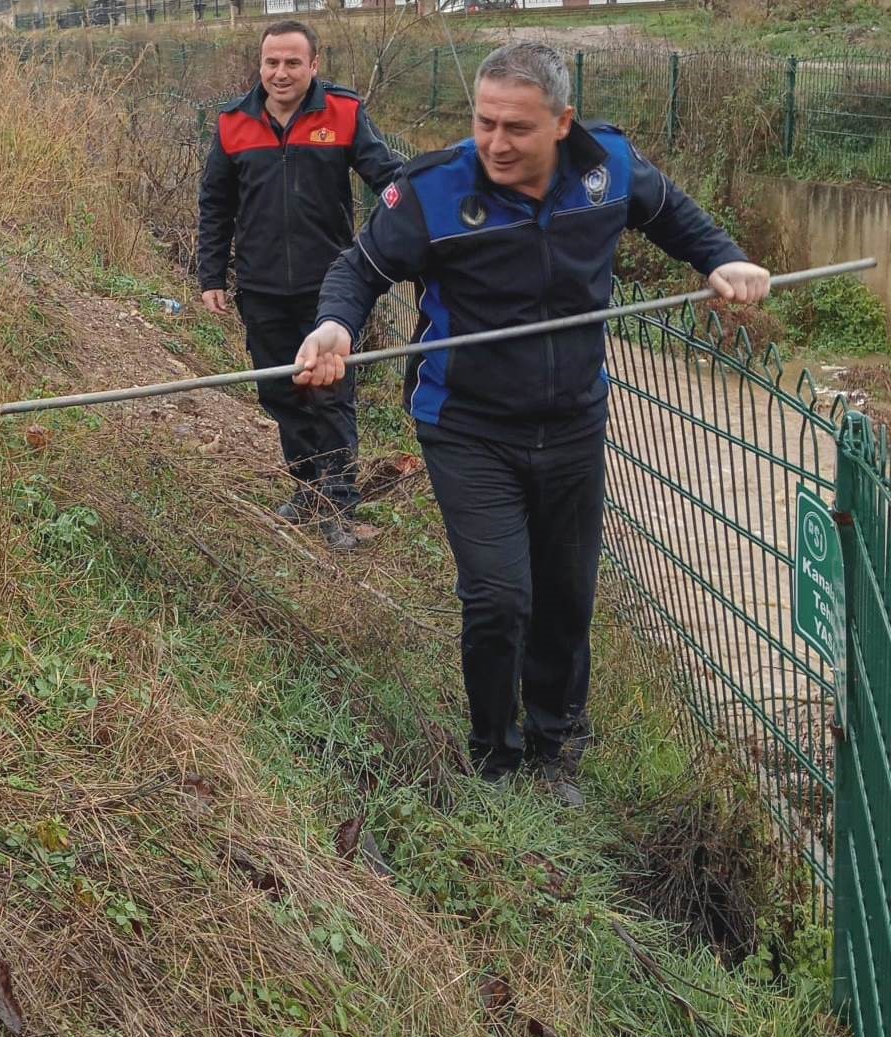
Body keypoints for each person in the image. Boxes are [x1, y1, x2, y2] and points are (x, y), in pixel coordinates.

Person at [294, 42, 770, 802]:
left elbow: (673, 215)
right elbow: (358, 269)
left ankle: (554, 747)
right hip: (468, 425)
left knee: (564, 594)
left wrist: (723, 259)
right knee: (498, 596)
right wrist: (332, 329)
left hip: (575, 421)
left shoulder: (607, 166)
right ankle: (494, 753)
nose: (495, 143)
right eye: (484, 122)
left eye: (516, 127)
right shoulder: (434, 190)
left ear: (562, 123)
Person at [197, 20, 400, 550]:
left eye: (292, 63)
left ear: (314, 65)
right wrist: (211, 274)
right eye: (271, 63)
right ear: (259, 66)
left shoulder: (344, 114)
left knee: (330, 394)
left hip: (329, 291)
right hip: (261, 288)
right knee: (282, 392)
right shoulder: (232, 124)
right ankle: (307, 487)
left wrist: (402, 241)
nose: (280, 73)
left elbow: (391, 181)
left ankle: (339, 502)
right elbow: (216, 205)